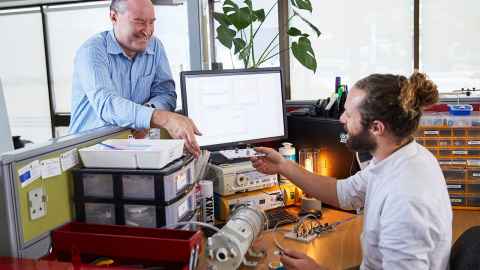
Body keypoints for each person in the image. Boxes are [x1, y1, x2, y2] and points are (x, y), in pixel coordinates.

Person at [252, 72, 452, 269]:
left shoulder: (406, 200)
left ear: (376, 128)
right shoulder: (399, 155)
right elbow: (344, 193)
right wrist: (283, 166)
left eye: (349, 114)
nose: (341, 119)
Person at [69, 0, 200, 156]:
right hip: (90, 154)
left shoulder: (155, 46)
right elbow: (107, 104)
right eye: (139, 22)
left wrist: (147, 114)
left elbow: (167, 94)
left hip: (135, 148)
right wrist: (160, 118)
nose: (147, 31)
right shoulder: (92, 51)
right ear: (113, 17)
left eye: (152, 22)